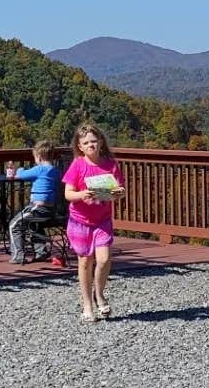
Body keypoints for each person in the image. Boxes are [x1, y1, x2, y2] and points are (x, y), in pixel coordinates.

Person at [62, 122, 124, 321]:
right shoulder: (78, 165)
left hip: (102, 220)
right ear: (80, 146)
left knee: (104, 259)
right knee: (85, 261)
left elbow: (119, 190)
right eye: (86, 142)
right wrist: (82, 194)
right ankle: (87, 305)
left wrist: (118, 193)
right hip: (80, 221)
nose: (91, 145)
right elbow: (68, 194)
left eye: (94, 141)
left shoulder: (110, 164)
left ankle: (100, 294)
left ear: (100, 142)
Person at [8, 140, 61, 264]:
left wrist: (20, 169)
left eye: (35, 157)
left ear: (39, 156)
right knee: (34, 225)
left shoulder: (40, 169)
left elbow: (21, 175)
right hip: (51, 210)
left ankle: (18, 256)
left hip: (38, 208)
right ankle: (41, 251)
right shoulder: (55, 171)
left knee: (14, 225)